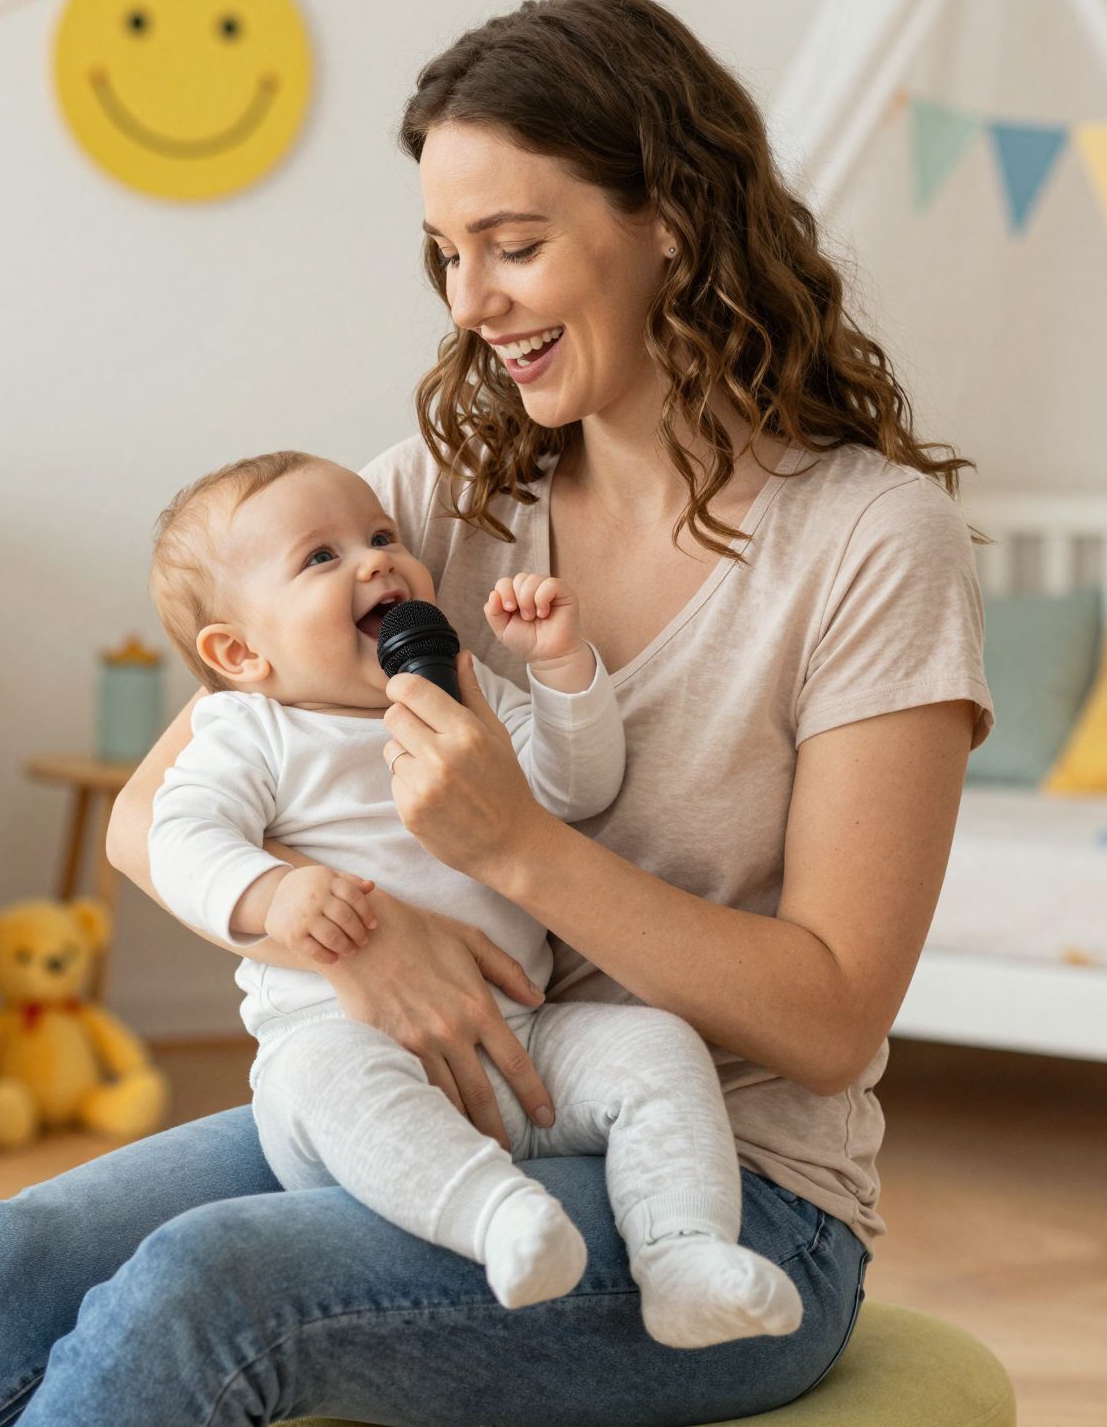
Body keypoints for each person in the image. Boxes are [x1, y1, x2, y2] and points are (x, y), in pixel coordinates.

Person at [0, 0, 992, 1427]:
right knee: (4, 1258)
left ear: (672, 215)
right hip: (423, 1111)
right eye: (447, 255)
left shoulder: (867, 543)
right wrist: (351, 929)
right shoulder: (441, 495)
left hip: (730, 1194)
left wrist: (521, 850)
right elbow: (157, 813)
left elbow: (836, 1015)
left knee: (203, 1292)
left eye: (514, 246)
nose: (472, 304)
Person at [145, 448, 803, 1345]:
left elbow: (574, 790)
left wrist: (561, 670)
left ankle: (682, 1257)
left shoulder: (462, 689)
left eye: (380, 536)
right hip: (349, 1051)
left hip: (526, 1045)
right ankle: (500, 1220)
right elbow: (175, 837)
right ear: (239, 653)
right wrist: (275, 894)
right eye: (321, 558)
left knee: (656, 1047)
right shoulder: (249, 730)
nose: (377, 561)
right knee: (320, 1078)